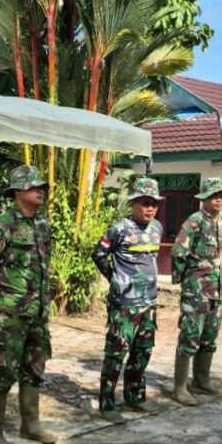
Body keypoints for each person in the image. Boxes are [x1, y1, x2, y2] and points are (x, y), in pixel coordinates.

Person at [0, 164, 58, 444]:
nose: (40, 191)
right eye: (34, 187)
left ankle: (30, 425)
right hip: (11, 313)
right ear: (18, 191)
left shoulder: (42, 224)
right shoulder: (4, 223)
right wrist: (1, 295)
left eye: (41, 187)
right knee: (3, 369)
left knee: (34, 367)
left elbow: (44, 263)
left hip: (37, 311)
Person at [92, 177, 164, 423]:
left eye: (154, 203)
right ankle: (107, 403)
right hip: (124, 304)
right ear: (133, 203)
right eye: (145, 203)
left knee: (142, 351)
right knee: (116, 352)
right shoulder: (119, 229)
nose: (150, 208)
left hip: (149, 302)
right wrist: (114, 278)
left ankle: (135, 396)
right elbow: (99, 254)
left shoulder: (156, 228)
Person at [171, 176, 222, 406]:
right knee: (190, 335)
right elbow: (178, 252)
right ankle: (180, 388)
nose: (218, 200)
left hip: (217, 290)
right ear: (204, 198)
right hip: (196, 290)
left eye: (221, 196)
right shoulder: (195, 221)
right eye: (213, 196)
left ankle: (201, 380)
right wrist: (185, 279)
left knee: (210, 335)